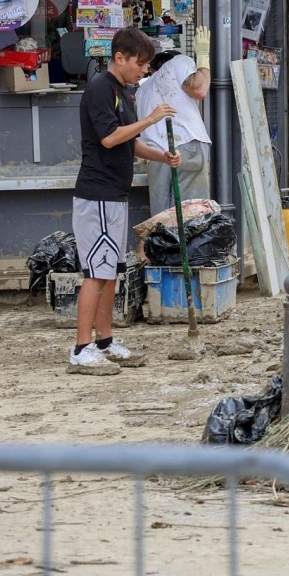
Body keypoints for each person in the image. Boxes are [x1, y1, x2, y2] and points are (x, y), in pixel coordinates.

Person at [69, 26, 181, 376]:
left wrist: (161, 156)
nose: (144, 70)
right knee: (95, 273)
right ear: (121, 57)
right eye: (141, 63)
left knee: (110, 271)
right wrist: (150, 119)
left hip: (115, 194)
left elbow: (130, 143)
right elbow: (109, 138)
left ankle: (105, 341)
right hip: (97, 193)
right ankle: (81, 348)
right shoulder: (101, 88)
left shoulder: (124, 91)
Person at [135, 27, 212, 219]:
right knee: (192, 217)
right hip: (187, 146)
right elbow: (199, 89)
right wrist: (203, 57)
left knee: (162, 221)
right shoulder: (180, 62)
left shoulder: (141, 91)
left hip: (157, 157)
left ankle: (163, 250)